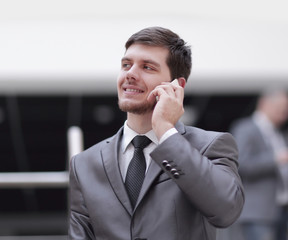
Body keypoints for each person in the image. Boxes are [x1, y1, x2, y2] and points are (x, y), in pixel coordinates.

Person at [68, 26, 244, 240]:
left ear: (176, 85)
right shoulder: (84, 164)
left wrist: (166, 132)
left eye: (147, 67)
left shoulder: (211, 145)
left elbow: (226, 212)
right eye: (126, 65)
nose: (130, 74)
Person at [229, 89, 288, 240]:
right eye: (282, 106)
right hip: (258, 213)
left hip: (284, 212)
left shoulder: (282, 135)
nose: (286, 111)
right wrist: (275, 159)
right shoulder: (245, 129)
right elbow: (240, 164)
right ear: (264, 103)